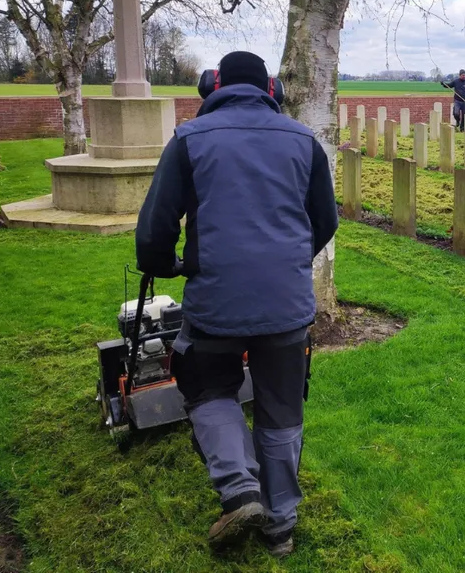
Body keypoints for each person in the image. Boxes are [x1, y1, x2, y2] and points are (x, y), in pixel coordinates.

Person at [135, 51, 338, 558]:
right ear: (272, 90)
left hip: (214, 303)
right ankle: (280, 528)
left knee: (209, 388)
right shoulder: (303, 141)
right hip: (288, 307)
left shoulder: (188, 140)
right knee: (282, 408)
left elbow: (156, 227)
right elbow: (325, 220)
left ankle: (240, 491)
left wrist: (168, 263)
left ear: (212, 86)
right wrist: (289, 262)